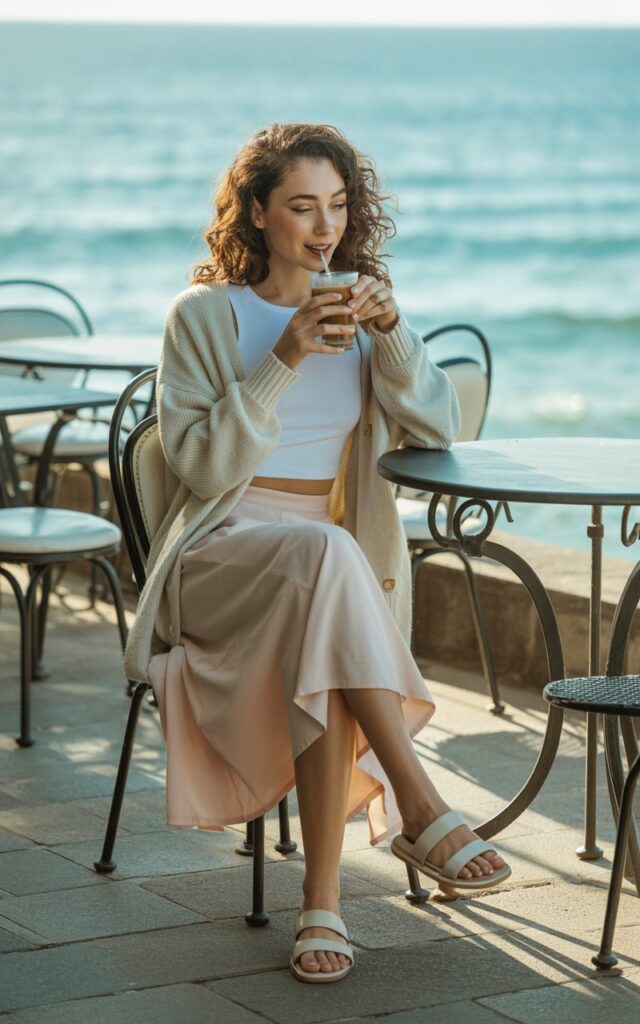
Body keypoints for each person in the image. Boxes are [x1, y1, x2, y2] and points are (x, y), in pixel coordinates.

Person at [123, 122, 510, 985]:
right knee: (325, 562)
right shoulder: (205, 317)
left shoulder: (364, 313)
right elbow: (199, 466)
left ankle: (322, 902)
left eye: (337, 205)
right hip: (219, 558)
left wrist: (399, 330)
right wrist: (286, 356)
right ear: (257, 213)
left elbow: (443, 426)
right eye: (301, 205)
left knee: (323, 599)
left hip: (320, 571)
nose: (323, 225)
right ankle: (420, 802)